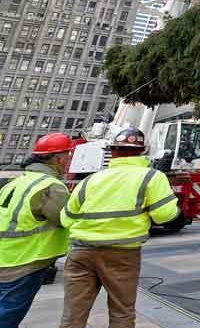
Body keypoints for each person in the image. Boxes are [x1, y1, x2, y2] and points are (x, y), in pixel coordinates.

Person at [59, 128, 179, 328]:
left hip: (81, 252)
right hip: (122, 254)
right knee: (121, 312)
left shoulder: (90, 180)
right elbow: (164, 215)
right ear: (142, 151)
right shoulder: (151, 177)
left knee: (73, 313)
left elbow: (66, 219)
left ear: (112, 151)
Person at [0, 133, 71, 325]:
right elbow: (65, 219)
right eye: (68, 156)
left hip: (6, 256)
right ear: (59, 158)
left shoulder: (15, 183)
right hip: (25, 261)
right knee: (7, 316)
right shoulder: (52, 186)